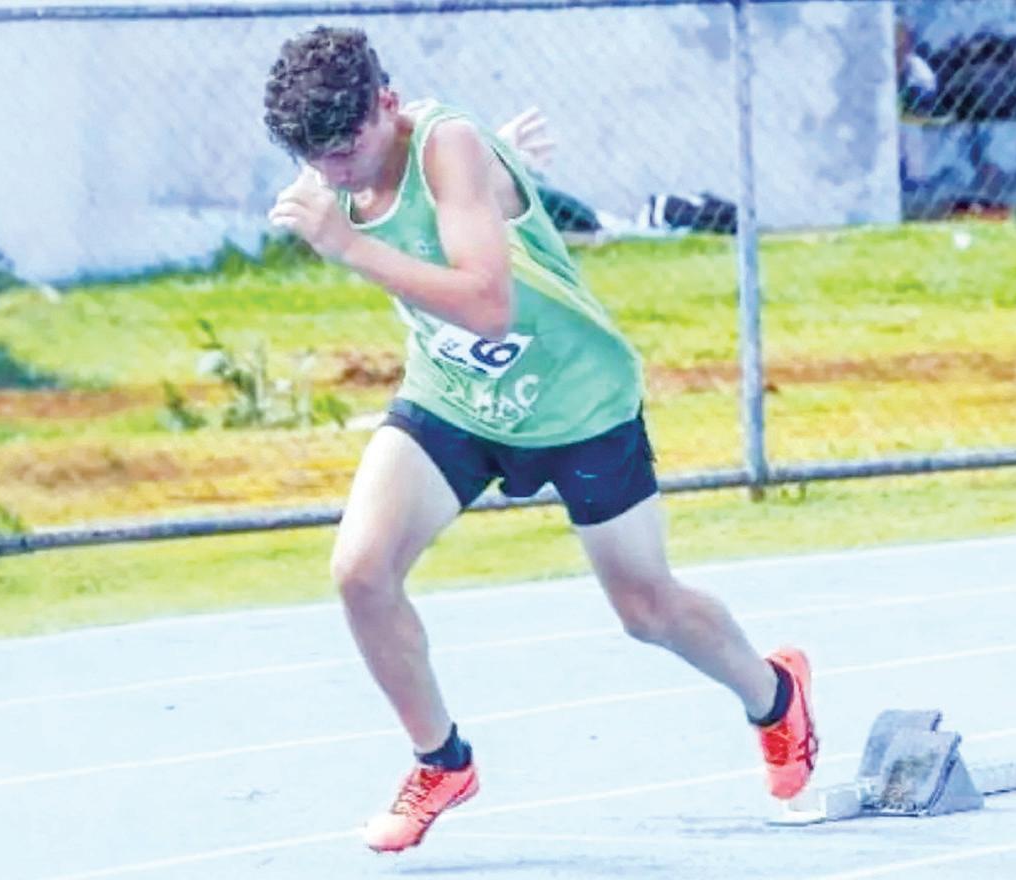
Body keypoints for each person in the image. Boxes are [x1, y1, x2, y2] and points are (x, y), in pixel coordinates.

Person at [263, 25, 817, 853]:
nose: (335, 175)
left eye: (346, 151)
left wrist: (348, 244)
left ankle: (774, 696)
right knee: (361, 572)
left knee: (647, 610)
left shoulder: (444, 146)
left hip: (573, 399)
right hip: (457, 396)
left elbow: (490, 307)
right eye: (314, 158)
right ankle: (442, 761)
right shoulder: (340, 160)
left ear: (386, 104)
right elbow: (440, 223)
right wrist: (496, 169)